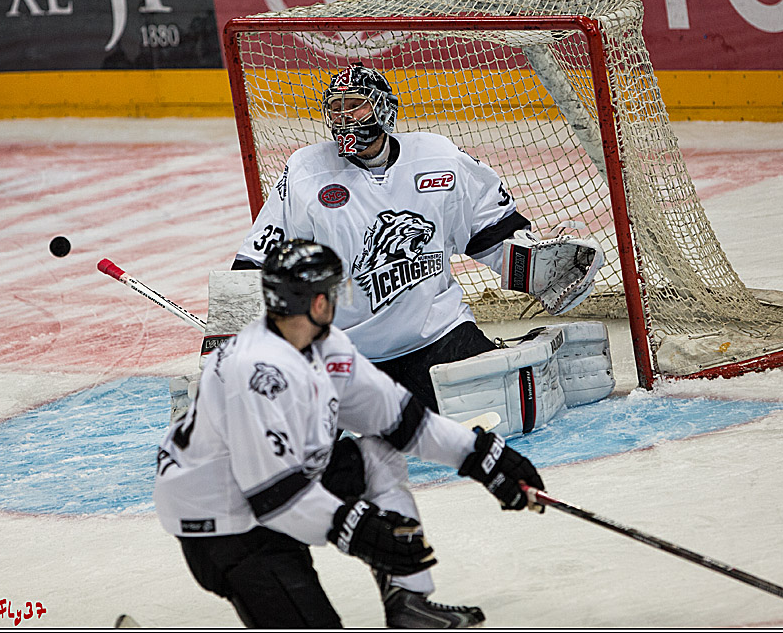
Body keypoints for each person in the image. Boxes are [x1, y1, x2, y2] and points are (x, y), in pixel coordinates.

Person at [155, 239, 545, 628]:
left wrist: (483, 457)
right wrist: (360, 531)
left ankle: (410, 605)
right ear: (318, 302)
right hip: (225, 524)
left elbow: (402, 421)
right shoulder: (256, 374)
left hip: (273, 492)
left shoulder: (325, 346)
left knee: (378, 454)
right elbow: (275, 497)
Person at [232, 63, 604, 416]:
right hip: (345, 351)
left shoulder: (437, 157)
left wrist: (540, 269)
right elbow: (258, 261)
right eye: (336, 108)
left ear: (382, 109)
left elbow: (490, 231)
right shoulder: (306, 170)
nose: (344, 118)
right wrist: (234, 340)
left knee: (499, 414)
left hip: (438, 335)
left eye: (355, 106)